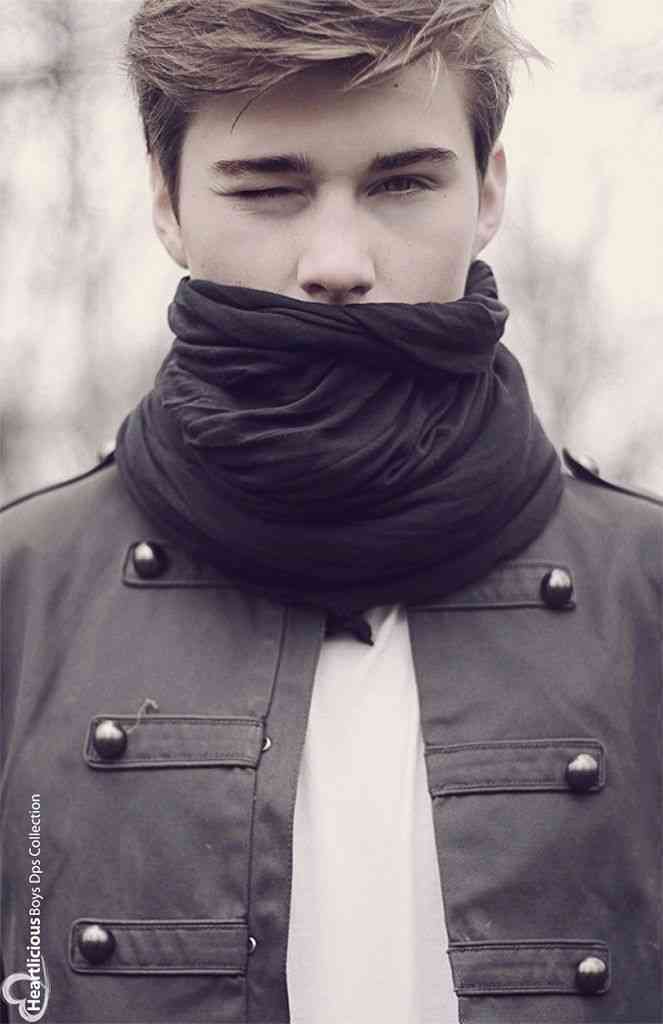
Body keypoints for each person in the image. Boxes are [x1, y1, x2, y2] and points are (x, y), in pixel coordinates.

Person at [1, 1, 661, 1022]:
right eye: (269, 190)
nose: (338, 263)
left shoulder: (646, 593)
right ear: (166, 204)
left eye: (402, 184)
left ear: (487, 191)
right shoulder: (22, 595)